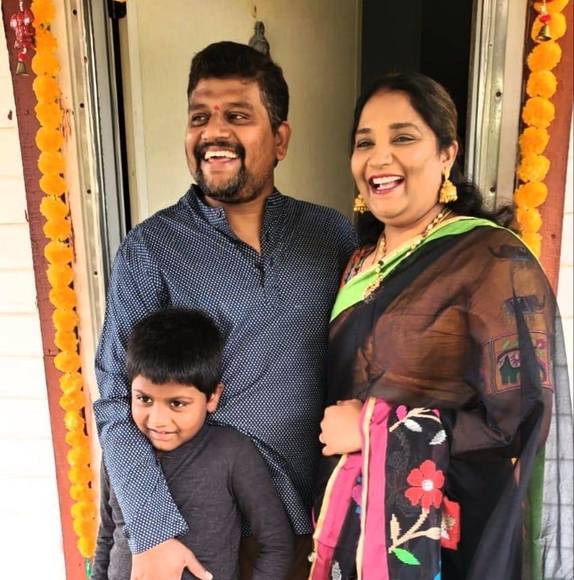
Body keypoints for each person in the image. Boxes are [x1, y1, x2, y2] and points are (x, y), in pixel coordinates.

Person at [93, 41, 356, 580]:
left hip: (304, 521)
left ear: (280, 139)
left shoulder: (329, 235)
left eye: (237, 116)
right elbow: (118, 398)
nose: (213, 132)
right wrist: (152, 530)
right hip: (192, 526)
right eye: (199, 118)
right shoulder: (151, 248)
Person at [312, 72, 573, 579]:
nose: (380, 159)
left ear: (447, 154)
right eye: (365, 143)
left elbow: (520, 419)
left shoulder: (489, 258)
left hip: (442, 535)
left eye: (403, 138)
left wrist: (371, 428)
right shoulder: (357, 261)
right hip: (348, 519)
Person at [92, 308, 293, 580]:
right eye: (144, 399)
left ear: (212, 397)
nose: (157, 420)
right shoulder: (121, 449)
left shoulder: (231, 452)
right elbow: (107, 535)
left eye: (177, 403)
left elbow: (277, 543)